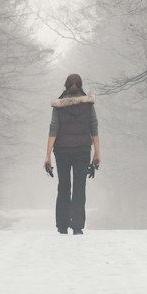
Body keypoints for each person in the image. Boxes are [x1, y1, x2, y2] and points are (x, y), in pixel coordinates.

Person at [44, 72, 100, 235]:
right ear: (81, 86)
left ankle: (62, 226)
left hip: (62, 151)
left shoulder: (59, 105)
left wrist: (47, 155)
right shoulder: (88, 105)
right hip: (83, 150)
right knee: (79, 187)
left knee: (63, 186)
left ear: (66, 86)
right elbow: (94, 128)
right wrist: (97, 152)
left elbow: (53, 128)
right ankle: (77, 226)